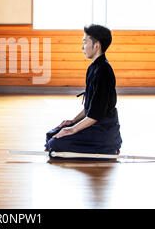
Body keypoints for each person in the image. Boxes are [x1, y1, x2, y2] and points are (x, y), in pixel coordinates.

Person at [45, 24, 122, 156]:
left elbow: (95, 115)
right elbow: (90, 107)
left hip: (104, 129)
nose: (82, 47)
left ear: (97, 45)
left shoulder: (104, 72)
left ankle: (109, 147)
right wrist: (72, 121)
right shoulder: (93, 68)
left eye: (85, 42)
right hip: (94, 122)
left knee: (55, 143)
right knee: (51, 135)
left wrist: (71, 130)